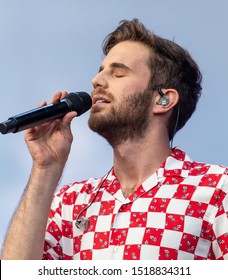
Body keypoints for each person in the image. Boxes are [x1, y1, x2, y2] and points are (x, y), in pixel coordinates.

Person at [1, 18, 228, 260]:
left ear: (163, 100)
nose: (96, 81)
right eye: (100, 72)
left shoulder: (216, 190)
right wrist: (45, 168)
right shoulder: (70, 203)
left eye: (118, 73)